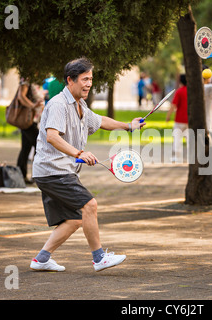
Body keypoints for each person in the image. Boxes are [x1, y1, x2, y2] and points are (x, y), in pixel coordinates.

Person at [30, 57, 145, 272]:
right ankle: (99, 257)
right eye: (84, 79)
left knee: (74, 219)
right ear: (70, 80)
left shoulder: (80, 105)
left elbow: (100, 121)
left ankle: (41, 259)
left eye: (90, 79)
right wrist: (79, 153)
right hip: (53, 171)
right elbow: (52, 137)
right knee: (90, 205)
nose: (89, 84)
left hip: (57, 171)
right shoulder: (58, 104)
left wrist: (129, 126)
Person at [17, 78, 44, 184]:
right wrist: (33, 106)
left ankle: (21, 176)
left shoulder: (34, 80)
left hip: (33, 120)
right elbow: (21, 96)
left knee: (26, 148)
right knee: (40, 146)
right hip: (28, 120)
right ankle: (37, 175)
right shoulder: (26, 80)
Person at [166, 74, 188, 162]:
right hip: (189, 119)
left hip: (179, 119)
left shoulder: (179, 91)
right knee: (189, 139)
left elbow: (173, 105)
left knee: (177, 139)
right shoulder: (192, 91)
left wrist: (168, 116)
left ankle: (177, 157)